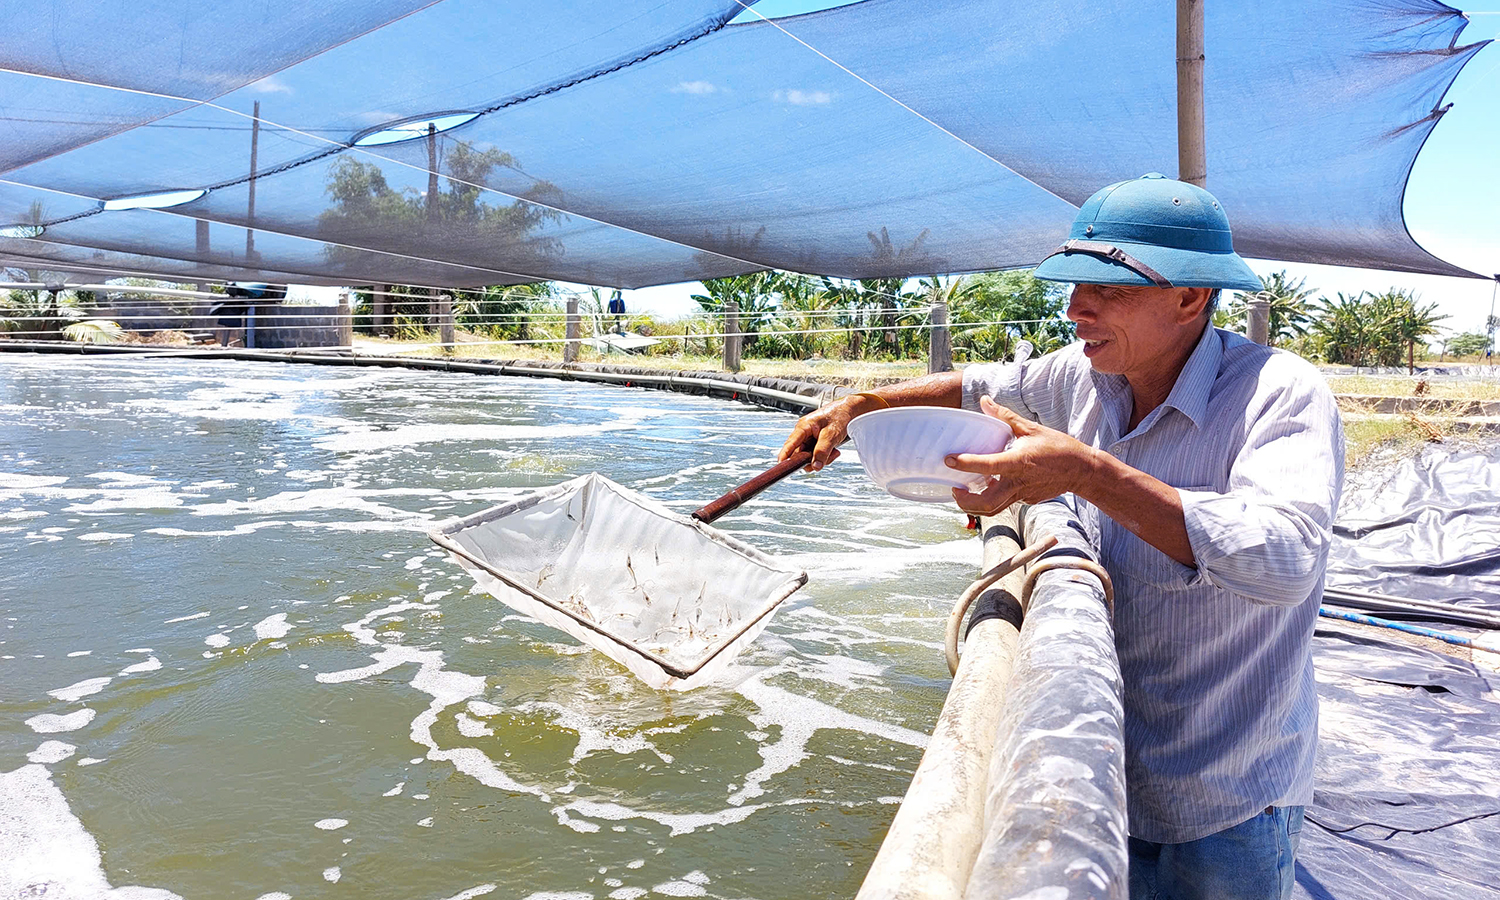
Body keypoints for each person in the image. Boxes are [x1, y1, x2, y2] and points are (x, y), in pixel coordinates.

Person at [779, 173, 1344, 900]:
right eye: (1075, 286)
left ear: (1190, 297)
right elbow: (974, 387)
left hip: (1228, 782)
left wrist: (1087, 473)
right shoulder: (1082, 374)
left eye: (1109, 289)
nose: (1078, 309)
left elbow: (1286, 558)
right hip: (1101, 750)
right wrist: (866, 402)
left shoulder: (1280, 392)